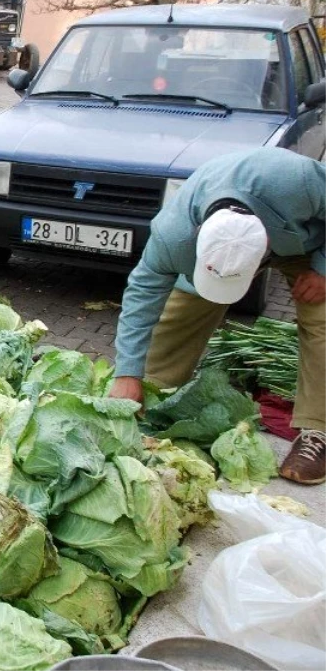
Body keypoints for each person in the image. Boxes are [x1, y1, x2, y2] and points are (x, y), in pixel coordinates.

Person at [109, 148, 326, 485]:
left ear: (265, 248)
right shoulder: (173, 234)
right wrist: (127, 372)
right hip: (221, 248)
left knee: (322, 317)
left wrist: (323, 269)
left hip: (309, 244)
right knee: (177, 319)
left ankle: (318, 431)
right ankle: (144, 408)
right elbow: (141, 298)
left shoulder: (297, 181)